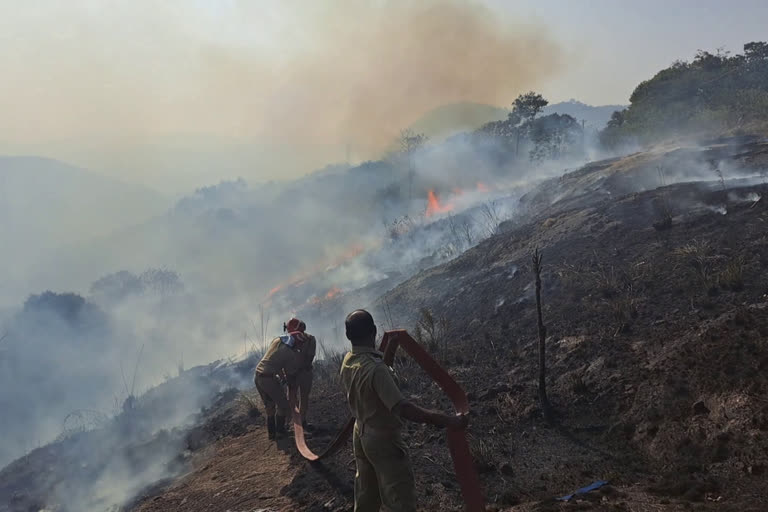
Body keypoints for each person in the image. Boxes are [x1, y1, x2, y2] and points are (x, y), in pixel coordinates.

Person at [339, 309, 468, 512]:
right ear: (373, 331)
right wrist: (447, 420)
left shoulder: (349, 360)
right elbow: (403, 408)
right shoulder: (375, 369)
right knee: (399, 498)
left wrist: (390, 349)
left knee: (366, 495)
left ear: (348, 336)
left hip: (361, 434)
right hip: (383, 441)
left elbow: (378, 382)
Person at [254, 318, 306, 440]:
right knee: (284, 407)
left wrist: (281, 378)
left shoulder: (277, 340)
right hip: (268, 380)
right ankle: (280, 431)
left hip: (258, 376)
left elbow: (275, 362)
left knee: (270, 406)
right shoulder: (289, 354)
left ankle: (272, 434)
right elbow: (290, 374)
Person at [295, 320, 316, 431]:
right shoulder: (310, 339)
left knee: (296, 398)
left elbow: (309, 357)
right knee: (303, 398)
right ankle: (300, 422)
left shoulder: (309, 339)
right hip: (303, 372)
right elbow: (310, 356)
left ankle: (298, 422)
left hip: (296, 373)